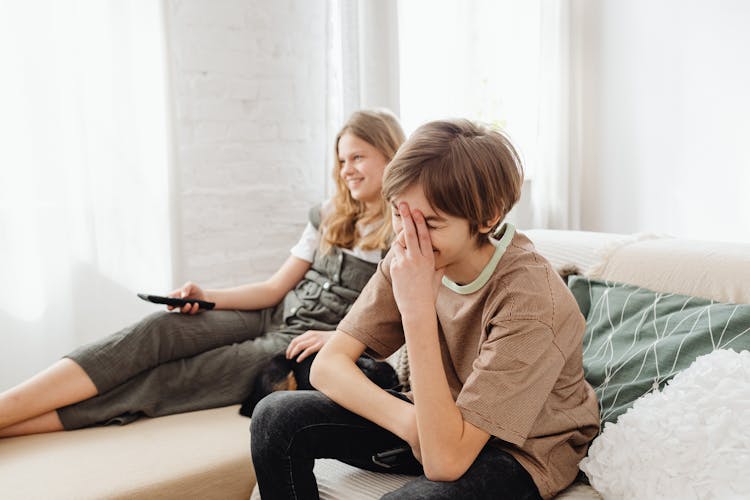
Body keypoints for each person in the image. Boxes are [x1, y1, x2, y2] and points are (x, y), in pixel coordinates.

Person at [0, 109, 405, 438]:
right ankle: (7, 406)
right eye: (341, 160)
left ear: (390, 155)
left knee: (176, 377)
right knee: (161, 328)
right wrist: (206, 295)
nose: (347, 169)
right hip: (275, 312)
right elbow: (273, 289)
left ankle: (13, 427)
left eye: (357, 157)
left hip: (299, 341)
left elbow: (398, 320)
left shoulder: (403, 233)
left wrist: (340, 339)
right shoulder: (329, 216)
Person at [251, 119, 600, 499]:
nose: (406, 236)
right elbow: (328, 367)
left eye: (430, 223)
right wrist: (412, 422)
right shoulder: (411, 253)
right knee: (274, 418)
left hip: (522, 449)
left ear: (489, 217)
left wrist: (416, 311)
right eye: (400, 215)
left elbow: (445, 462)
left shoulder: (530, 301)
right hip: (435, 421)